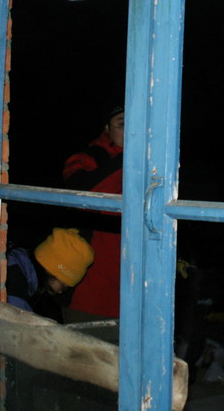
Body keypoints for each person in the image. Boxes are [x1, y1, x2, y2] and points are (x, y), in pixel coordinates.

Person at [62, 99, 124, 320]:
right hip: (90, 293)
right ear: (107, 128)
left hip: (135, 293)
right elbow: (81, 191)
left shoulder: (153, 163)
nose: (131, 131)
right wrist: (128, 158)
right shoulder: (87, 157)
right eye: (122, 123)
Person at [6, 227, 94, 320]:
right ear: (52, 271)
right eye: (64, 286)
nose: (60, 292)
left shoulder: (16, 260)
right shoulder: (16, 288)